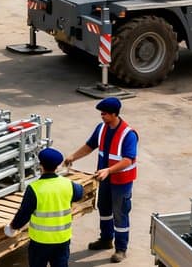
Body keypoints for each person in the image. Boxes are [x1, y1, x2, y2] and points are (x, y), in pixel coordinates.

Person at [64, 97, 138, 263]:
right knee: (104, 209)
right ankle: (106, 239)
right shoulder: (101, 128)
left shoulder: (128, 134)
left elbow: (128, 160)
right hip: (104, 179)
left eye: (104, 114)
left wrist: (109, 170)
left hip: (121, 181)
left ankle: (121, 248)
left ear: (113, 114)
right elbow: (89, 146)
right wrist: (73, 156)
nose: (101, 116)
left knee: (120, 214)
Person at [4, 148, 84, 267]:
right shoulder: (68, 184)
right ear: (57, 167)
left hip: (40, 242)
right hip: (62, 239)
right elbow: (79, 193)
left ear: (40, 165)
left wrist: (12, 227)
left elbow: (24, 214)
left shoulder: (34, 188)